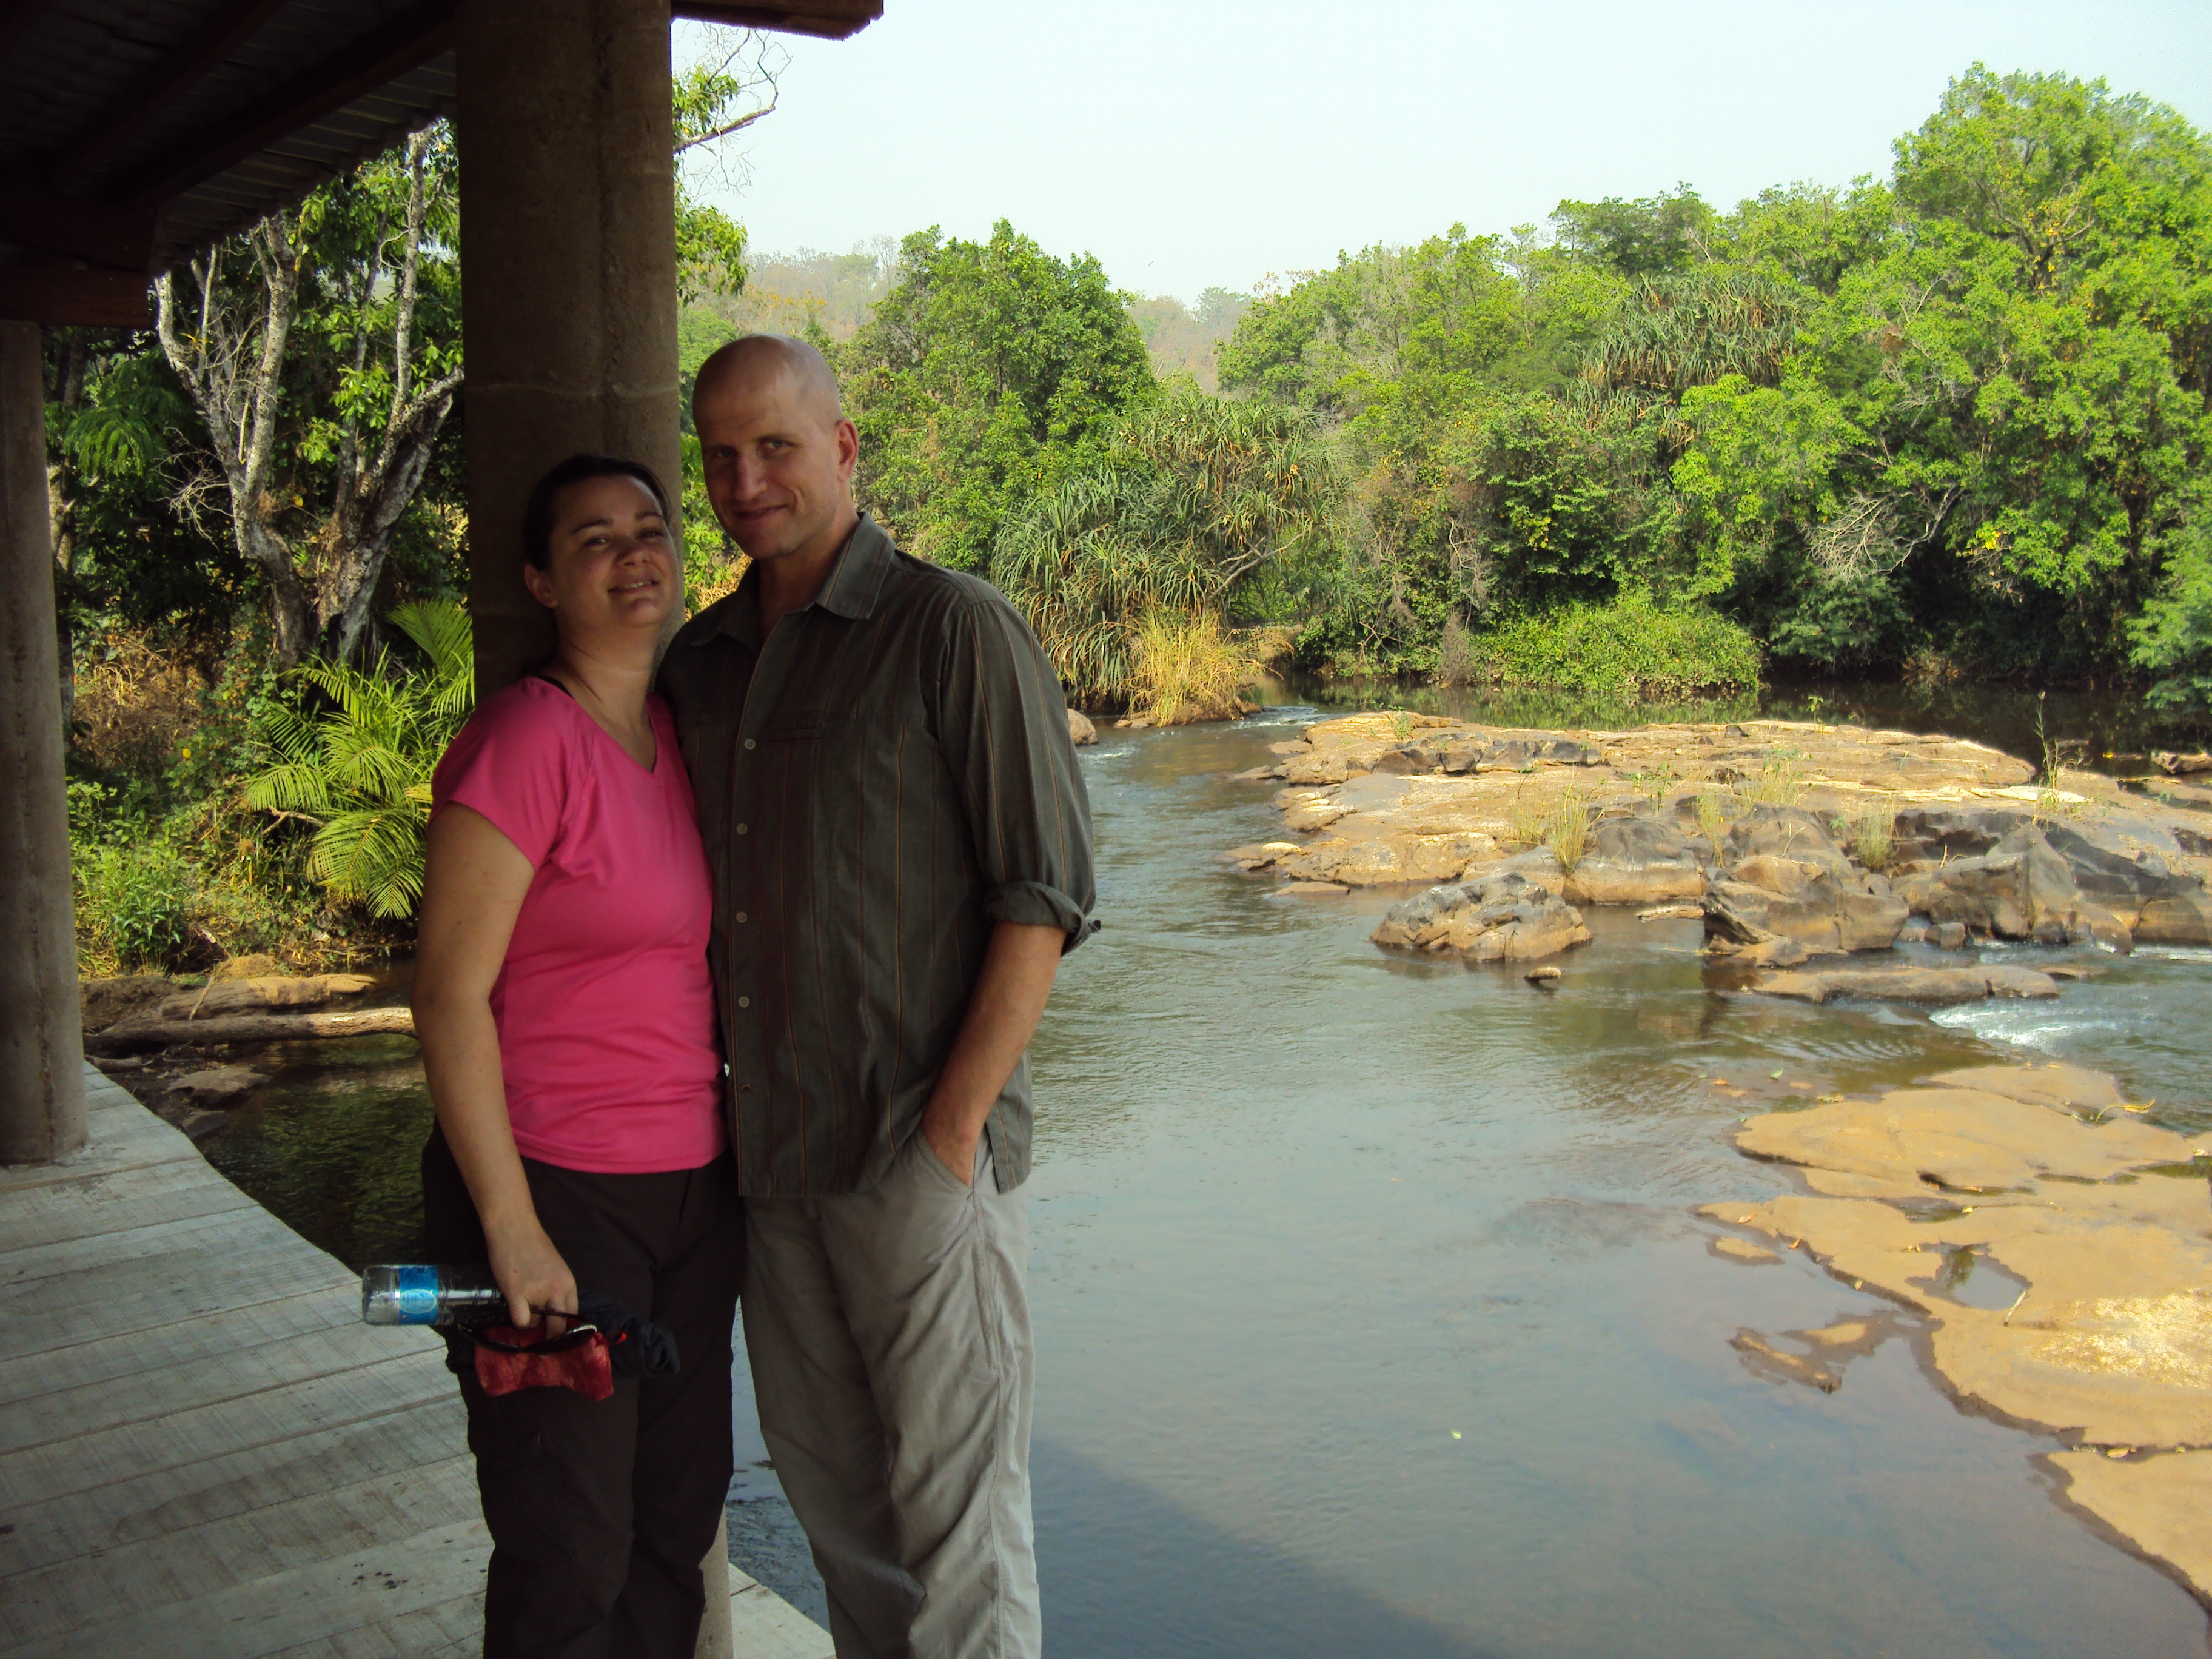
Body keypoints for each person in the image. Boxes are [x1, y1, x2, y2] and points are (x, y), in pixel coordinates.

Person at [657, 335, 1096, 1659]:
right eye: (721, 455)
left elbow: (1047, 891)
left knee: (962, 1537)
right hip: (775, 1167)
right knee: (844, 1517)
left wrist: (954, 1129)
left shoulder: (952, 627)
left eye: (775, 446)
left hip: (920, 1153)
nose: (746, 480)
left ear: (843, 448)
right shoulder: (701, 664)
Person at [411, 454, 744, 1658]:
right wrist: (510, 1230)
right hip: (556, 1189)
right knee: (570, 1547)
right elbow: (449, 1001)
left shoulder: (673, 731)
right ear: (540, 581)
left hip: (694, 1191)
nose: (631, 555)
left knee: (673, 1527)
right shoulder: (524, 740)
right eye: (593, 540)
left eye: (649, 529)